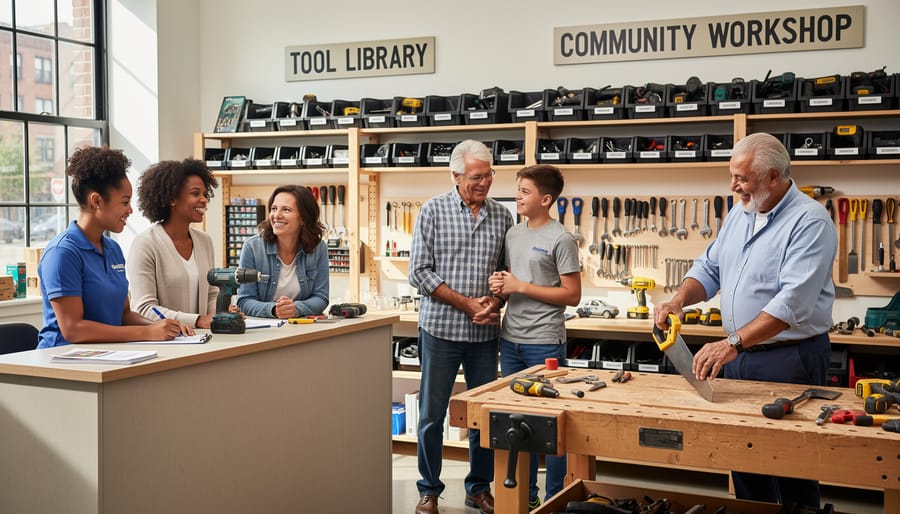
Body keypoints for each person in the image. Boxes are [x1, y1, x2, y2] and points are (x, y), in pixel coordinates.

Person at [653, 132, 836, 508]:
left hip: (789, 358)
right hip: (739, 356)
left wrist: (732, 343)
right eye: (732, 176)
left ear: (773, 176)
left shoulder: (810, 221)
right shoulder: (741, 212)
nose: (733, 186)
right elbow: (710, 268)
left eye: (742, 178)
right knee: (744, 457)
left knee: (791, 463)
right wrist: (678, 301)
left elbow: (792, 304)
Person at [409, 139, 514, 514]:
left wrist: (494, 302)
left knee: (482, 414)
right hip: (440, 330)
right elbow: (419, 273)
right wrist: (467, 304)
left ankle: (478, 488)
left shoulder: (503, 216)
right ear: (455, 176)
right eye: (475, 177)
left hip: (484, 334)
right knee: (431, 415)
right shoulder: (432, 210)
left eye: (488, 175)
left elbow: (505, 274)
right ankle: (429, 489)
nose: (484, 183)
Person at [488, 164, 581, 509]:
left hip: (544, 342)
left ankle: (555, 498)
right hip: (511, 340)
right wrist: (500, 287)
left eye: (525, 192)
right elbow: (514, 280)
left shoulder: (561, 239)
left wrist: (519, 286)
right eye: (518, 190)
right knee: (518, 425)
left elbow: (572, 295)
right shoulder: (513, 234)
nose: (517, 196)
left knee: (550, 427)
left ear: (546, 199)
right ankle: (525, 498)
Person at [37, 146, 187, 348]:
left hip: (107, 355)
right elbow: (73, 329)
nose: (130, 210)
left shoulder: (113, 249)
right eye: (125, 202)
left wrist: (163, 327)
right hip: (61, 357)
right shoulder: (62, 253)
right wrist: (147, 332)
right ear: (96, 201)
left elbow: (123, 315)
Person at [127, 159, 220, 328]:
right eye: (195, 193)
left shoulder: (204, 241)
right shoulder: (145, 244)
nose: (204, 200)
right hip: (166, 341)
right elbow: (145, 308)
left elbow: (211, 294)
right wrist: (198, 320)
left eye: (205, 194)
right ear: (171, 198)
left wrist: (220, 313)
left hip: (202, 339)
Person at [236, 185, 329, 319]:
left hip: (303, 325)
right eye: (274, 209)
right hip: (265, 327)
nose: (276, 215)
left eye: (286, 210)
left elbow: (321, 297)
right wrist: (274, 310)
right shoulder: (252, 248)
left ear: (303, 219)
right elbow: (244, 300)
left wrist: (296, 309)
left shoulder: (318, 248)